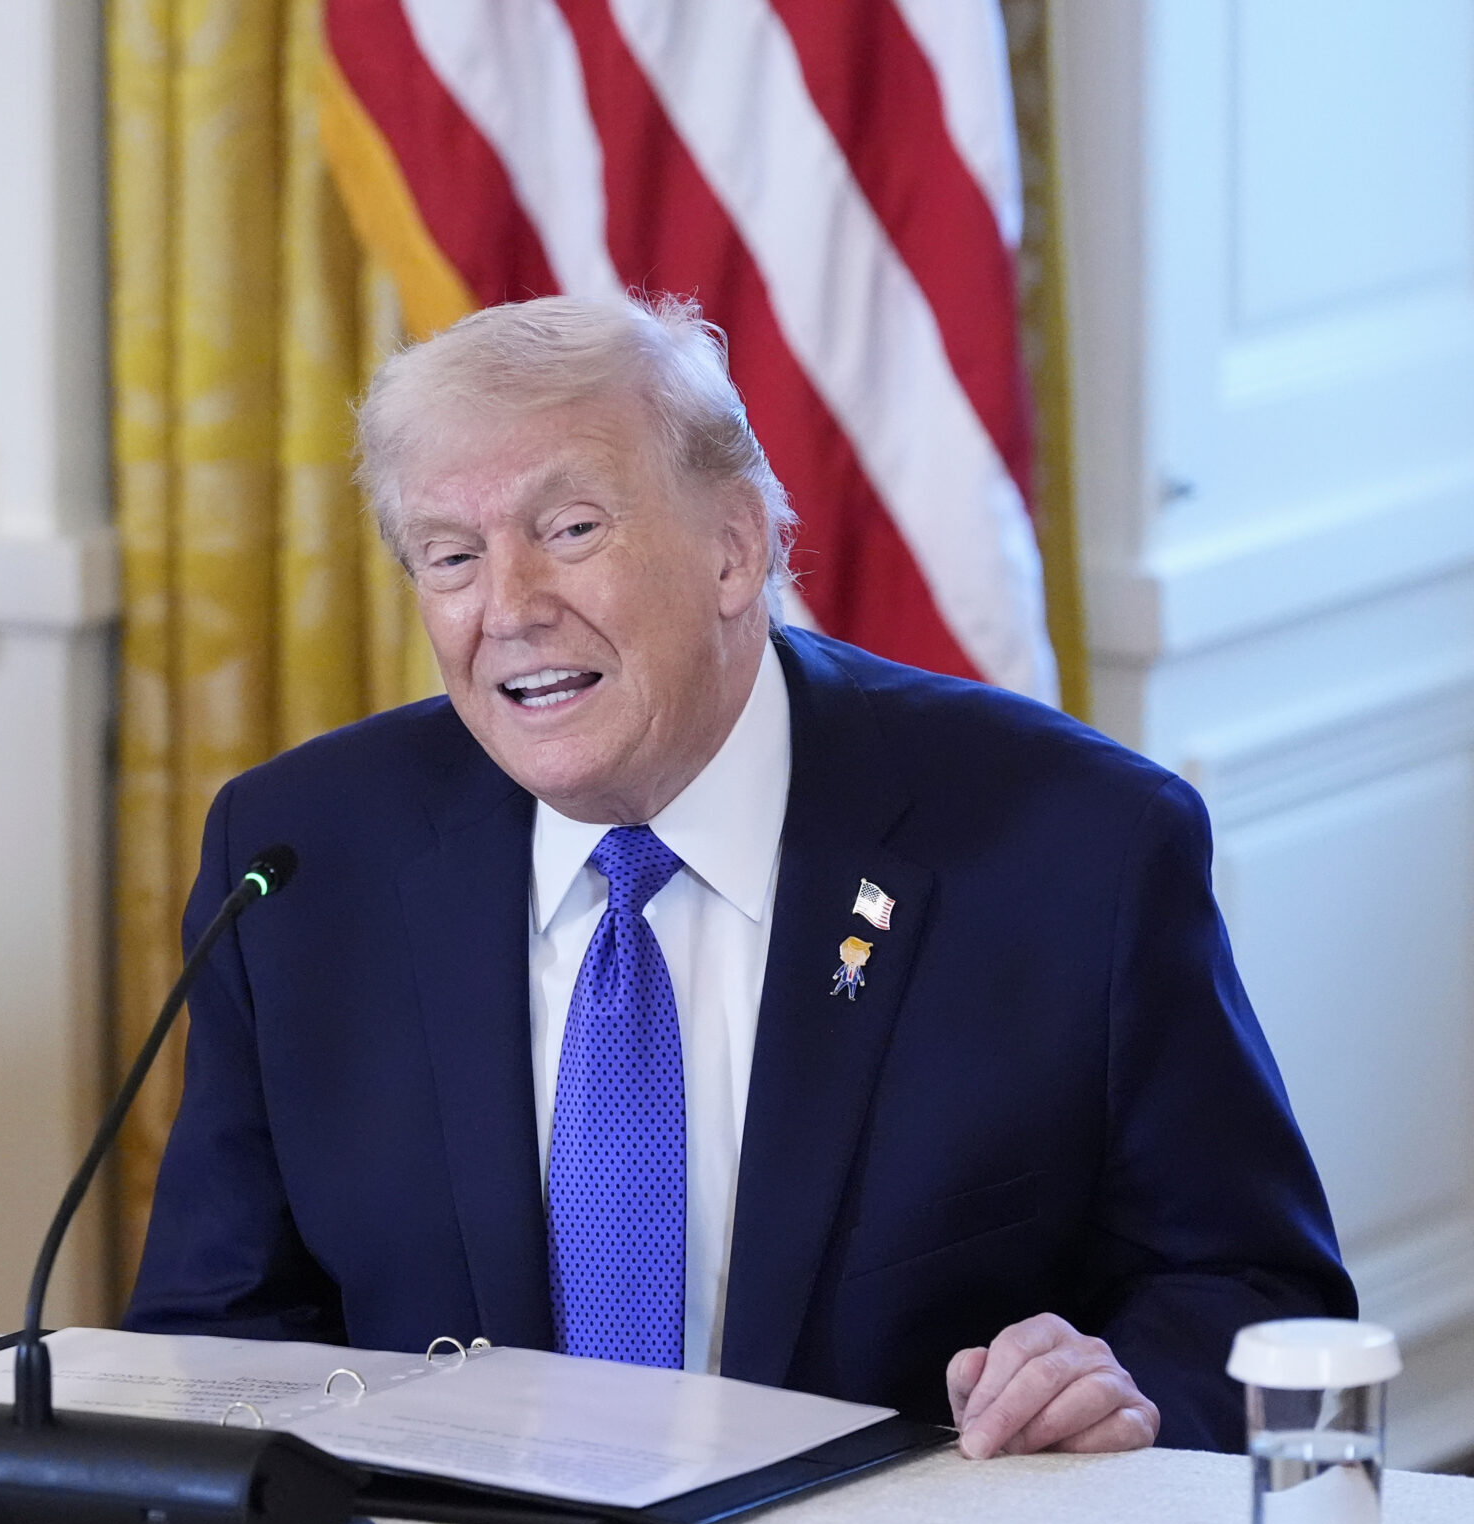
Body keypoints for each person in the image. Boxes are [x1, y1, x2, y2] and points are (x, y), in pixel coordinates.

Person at [124, 294, 1352, 1455]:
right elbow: (216, 1337)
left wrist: (1117, 1390)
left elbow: (1252, 1295)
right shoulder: (300, 859)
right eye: (450, 557)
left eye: (570, 531)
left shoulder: (1075, 849)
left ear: (732, 549)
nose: (508, 607)